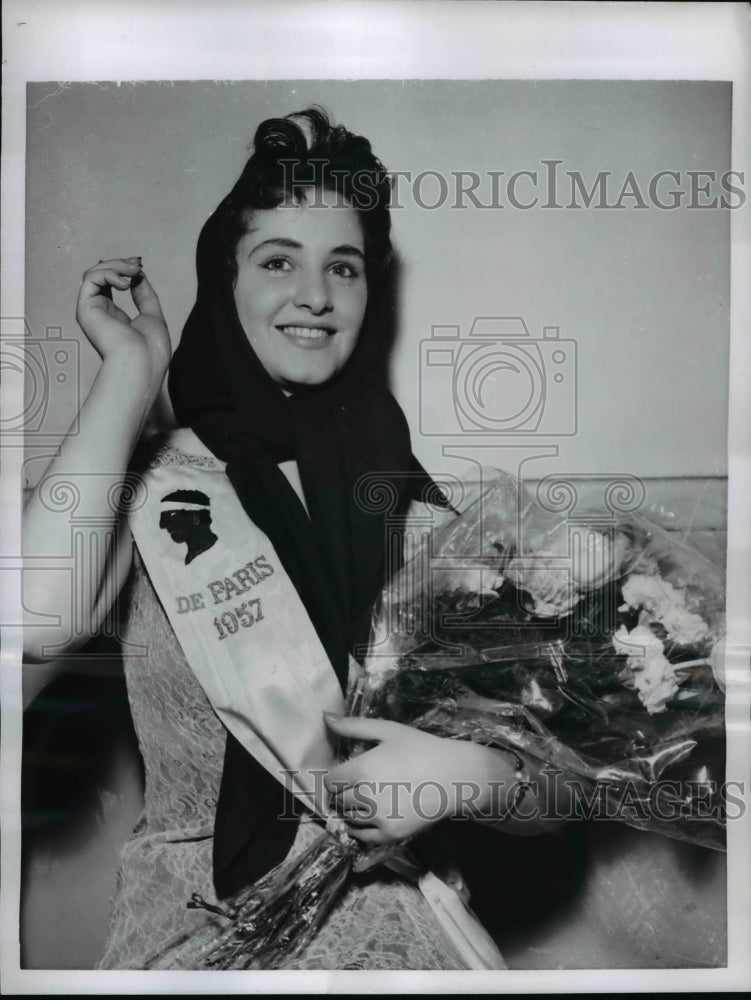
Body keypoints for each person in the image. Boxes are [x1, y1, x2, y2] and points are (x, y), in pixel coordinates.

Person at [23, 107, 560, 971]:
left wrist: (466, 775)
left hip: (397, 937)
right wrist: (132, 370)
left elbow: (558, 780)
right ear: (222, 279)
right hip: (192, 934)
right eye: (278, 261)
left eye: (341, 268)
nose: (315, 294)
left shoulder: (426, 519)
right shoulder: (153, 487)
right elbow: (32, 618)